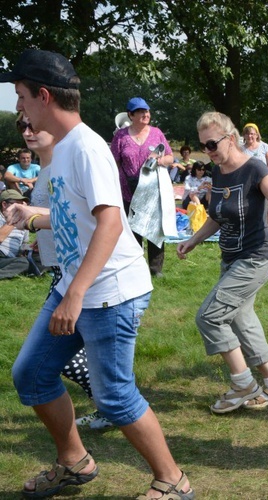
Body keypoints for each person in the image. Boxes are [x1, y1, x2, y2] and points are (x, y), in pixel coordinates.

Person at [3, 48, 192, 499]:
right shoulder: (62, 149)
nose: (19, 108)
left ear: (44, 96)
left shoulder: (87, 147)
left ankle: (173, 482)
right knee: (30, 374)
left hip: (109, 292)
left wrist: (76, 294)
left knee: (114, 397)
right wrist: (34, 216)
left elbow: (110, 221)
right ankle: (75, 463)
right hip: (77, 285)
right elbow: (78, 214)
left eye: (22, 97)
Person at [177, 111, 268, 414]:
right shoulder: (218, 172)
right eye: (205, 146)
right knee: (243, 320)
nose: (209, 152)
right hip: (230, 259)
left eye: (213, 144)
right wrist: (194, 239)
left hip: (256, 257)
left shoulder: (255, 169)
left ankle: (243, 384)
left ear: (231, 139)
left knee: (210, 316)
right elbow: (216, 215)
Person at [18, 113, 112, 429]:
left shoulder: (64, 163)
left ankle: (109, 404)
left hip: (72, 270)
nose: (28, 131)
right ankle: (108, 403)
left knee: (64, 353)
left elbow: (74, 212)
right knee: (73, 348)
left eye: (32, 124)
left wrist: (31, 217)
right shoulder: (45, 170)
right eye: (22, 127)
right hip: (59, 267)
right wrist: (38, 241)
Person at [110, 96, 175, 277]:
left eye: (147, 111)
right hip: (128, 190)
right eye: (140, 111)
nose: (146, 114)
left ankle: (155, 270)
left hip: (152, 190)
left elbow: (170, 157)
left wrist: (159, 160)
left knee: (154, 228)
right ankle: (135, 267)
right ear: (130, 115)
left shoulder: (156, 133)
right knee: (132, 230)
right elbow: (112, 162)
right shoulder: (120, 136)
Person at [242, 122, 268, 241]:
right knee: (249, 209)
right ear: (244, 135)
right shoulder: (240, 149)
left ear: (257, 135)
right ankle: (251, 234)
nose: (250, 136)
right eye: (248, 134)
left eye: (252, 134)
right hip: (248, 183)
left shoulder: (264, 147)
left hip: (265, 181)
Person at [0, 189, 33, 279]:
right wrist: (13, 221)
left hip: (9, 258)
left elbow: (23, 244)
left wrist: (30, 249)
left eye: (22, 204)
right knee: (23, 263)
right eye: (17, 204)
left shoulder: (23, 222)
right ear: (4, 204)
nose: (21, 208)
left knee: (36, 259)